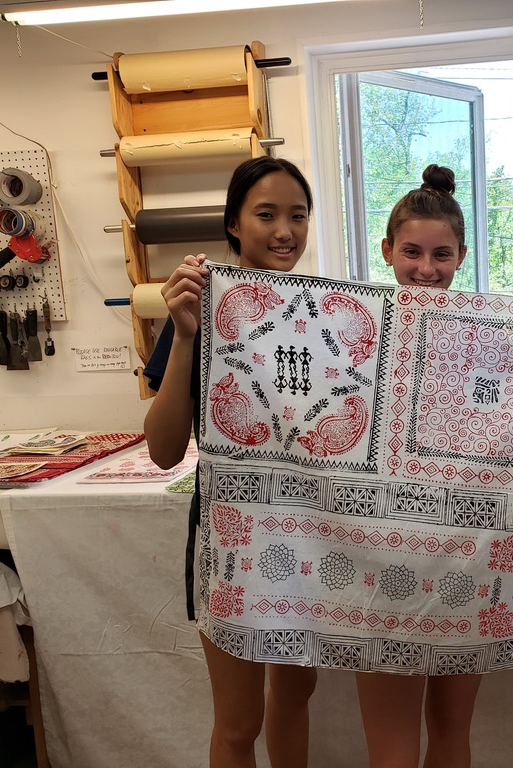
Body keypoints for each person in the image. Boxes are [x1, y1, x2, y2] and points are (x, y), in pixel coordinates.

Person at [143, 156, 318, 768]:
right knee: (239, 722)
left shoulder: (318, 315)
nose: (285, 231)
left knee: (296, 699)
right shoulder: (196, 308)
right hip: (232, 538)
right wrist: (187, 334)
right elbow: (164, 451)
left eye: (298, 216)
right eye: (265, 214)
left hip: (309, 538)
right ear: (233, 225)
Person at [355, 164, 481, 768]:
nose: (426, 269)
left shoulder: (493, 335)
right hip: (381, 560)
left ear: (461, 255)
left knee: (453, 732)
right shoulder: (351, 332)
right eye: (411, 252)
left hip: (468, 556)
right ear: (386, 250)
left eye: (441, 254)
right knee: (393, 746)